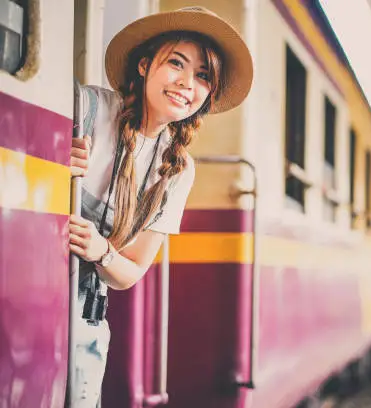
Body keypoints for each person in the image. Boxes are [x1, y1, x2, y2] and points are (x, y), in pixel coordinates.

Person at [69, 6, 253, 406]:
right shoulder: (85, 109)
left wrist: (101, 250)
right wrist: (51, 155)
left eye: (203, 75)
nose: (187, 83)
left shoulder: (178, 169)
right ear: (143, 65)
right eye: (176, 63)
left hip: (85, 326)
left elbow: (130, 271)